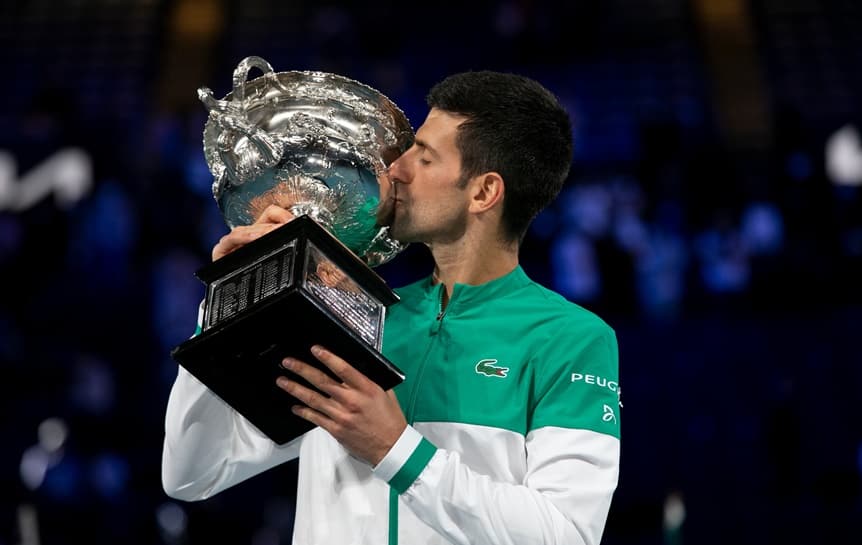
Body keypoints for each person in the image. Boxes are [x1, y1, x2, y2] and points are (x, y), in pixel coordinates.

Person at [162, 70, 621, 545]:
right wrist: (231, 300)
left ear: (484, 192)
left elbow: (565, 534)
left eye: (424, 157)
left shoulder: (570, 339)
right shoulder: (356, 317)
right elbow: (193, 473)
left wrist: (395, 449)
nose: (395, 170)